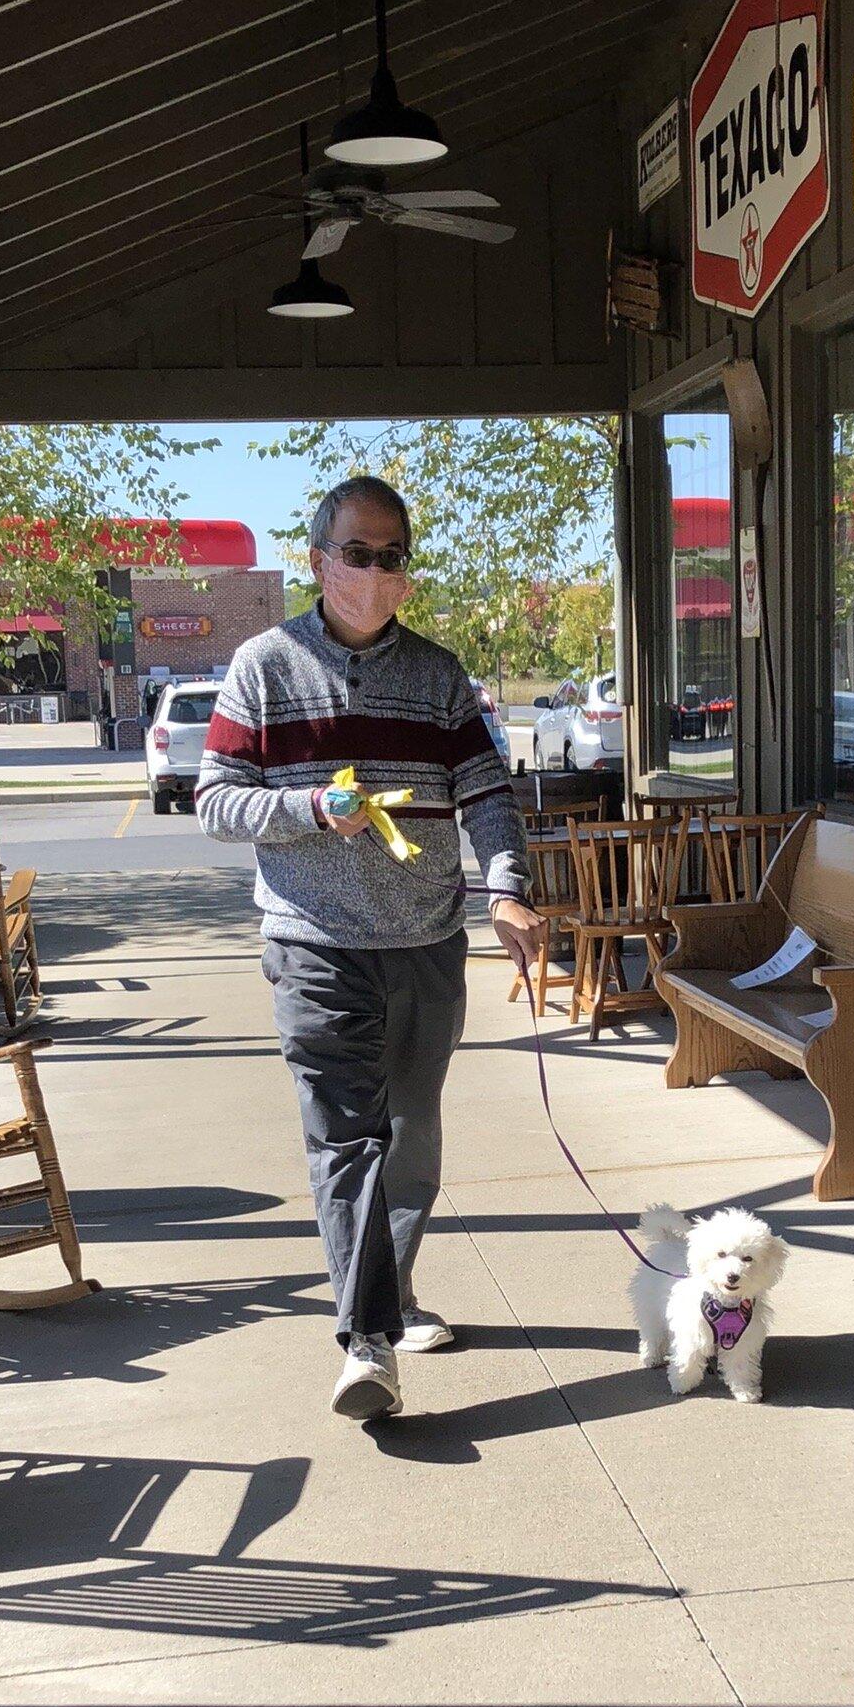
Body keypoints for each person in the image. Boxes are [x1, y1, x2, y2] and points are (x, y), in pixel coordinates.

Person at [194, 477, 545, 1421]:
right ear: (319, 561)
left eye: (394, 557)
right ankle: (368, 1341)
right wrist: (309, 809)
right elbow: (216, 802)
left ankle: (388, 1291)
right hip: (314, 941)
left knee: (412, 1137)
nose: (379, 572)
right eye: (360, 554)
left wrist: (507, 889)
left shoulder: (437, 675)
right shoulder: (263, 666)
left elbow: (486, 794)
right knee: (347, 1135)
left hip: (426, 940)